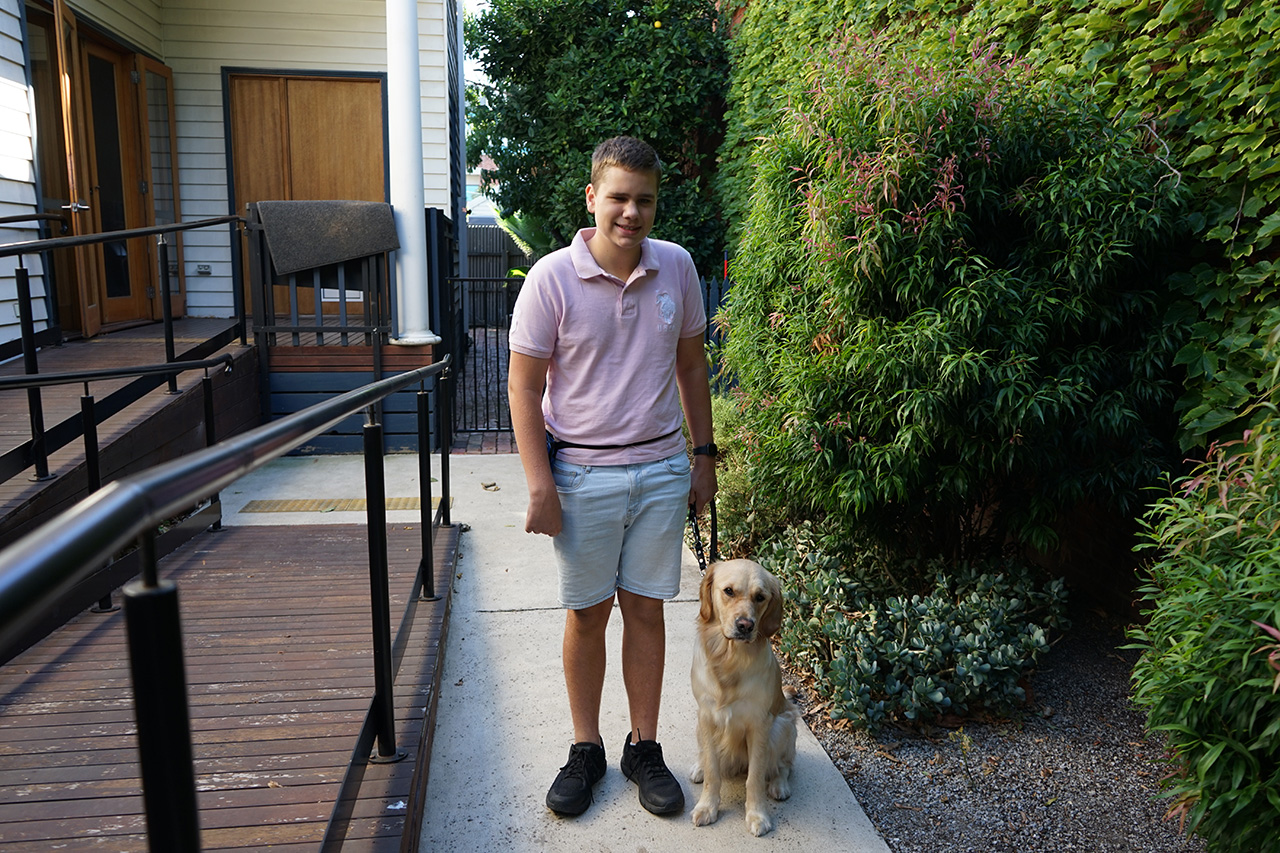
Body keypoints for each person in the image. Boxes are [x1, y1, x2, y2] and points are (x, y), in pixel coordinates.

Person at [507, 135, 718, 819]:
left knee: (647, 611)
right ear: (593, 197)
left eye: (644, 199)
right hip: (582, 474)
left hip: (659, 469)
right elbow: (524, 383)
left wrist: (704, 455)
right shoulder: (551, 279)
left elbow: (691, 367)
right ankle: (585, 746)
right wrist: (540, 482)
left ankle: (643, 745)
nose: (631, 212)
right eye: (619, 197)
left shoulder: (677, 268)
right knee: (588, 614)